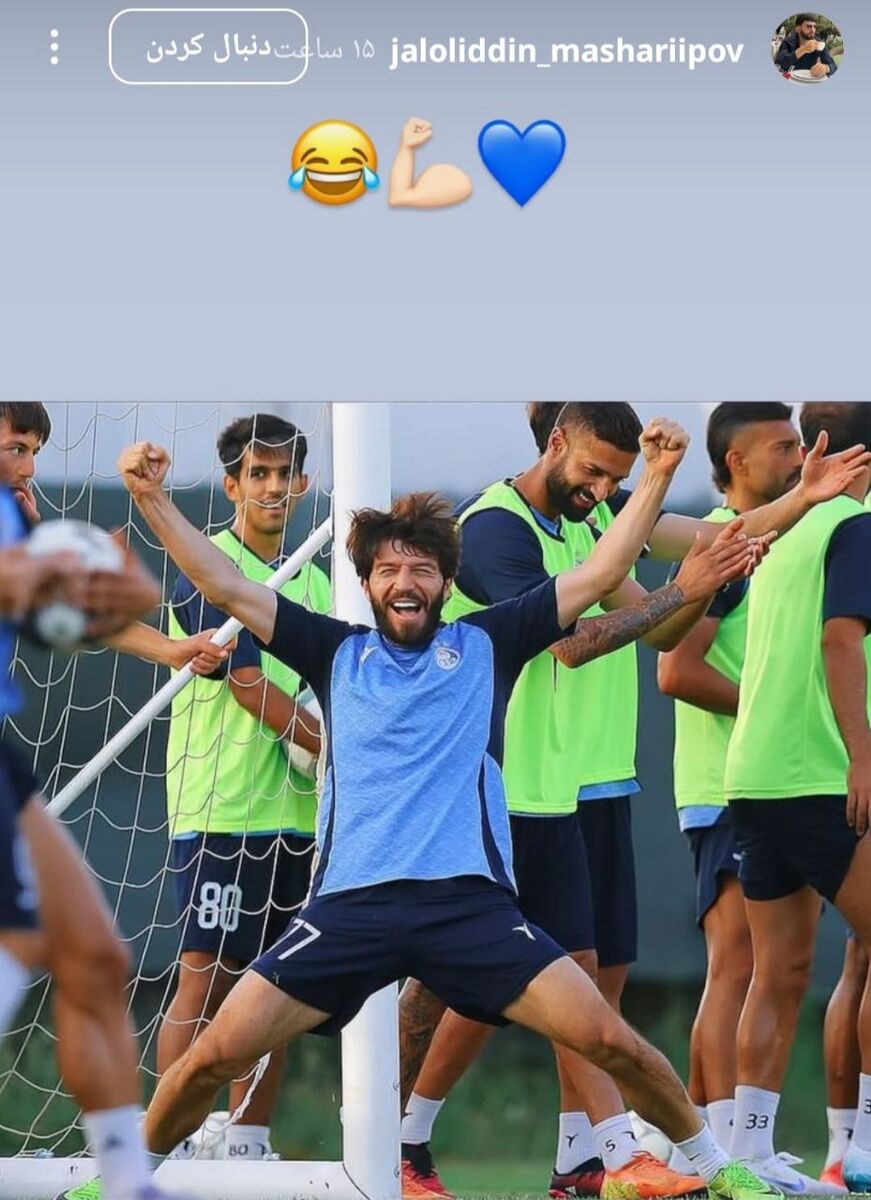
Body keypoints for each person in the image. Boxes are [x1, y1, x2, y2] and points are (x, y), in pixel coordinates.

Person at [101, 425, 782, 1200]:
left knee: (606, 1035)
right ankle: (121, 1182)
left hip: (468, 909)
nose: (405, 581)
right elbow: (223, 585)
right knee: (213, 1055)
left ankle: (718, 1168)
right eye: (389, 569)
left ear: (444, 582)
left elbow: (599, 571)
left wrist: (656, 473)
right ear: (367, 583)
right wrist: (151, 497)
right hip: (348, 911)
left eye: (421, 569)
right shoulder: (331, 650)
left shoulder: (491, 641)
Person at [398, 401, 866, 1200]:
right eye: (591, 473)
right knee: (481, 980)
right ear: (554, 443)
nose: (599, 491)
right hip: (498, 785)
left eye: (615, 479)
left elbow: (699, 562)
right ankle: (409, 1139)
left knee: (590, 974)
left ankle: (585, 1158)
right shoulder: (498, 530)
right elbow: (572, 644)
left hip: (580, 780)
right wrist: (679, 589)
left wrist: (798, 499)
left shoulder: (596, 512)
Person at [0, 457, 199, 1200]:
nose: (24, 462)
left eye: (31, 446)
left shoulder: (14, 517)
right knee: (19, 940)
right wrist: (48, 579)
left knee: (94, 957)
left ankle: (128, 1184)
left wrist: (114, 597)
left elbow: (57, 609)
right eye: (12, 441)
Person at [153, 413, 329, 1160]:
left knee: (275, 986)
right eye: (257, 474)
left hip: (295, 813)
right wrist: (331, 745)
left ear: (304, 483)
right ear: (231, 486)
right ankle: (172, 1140)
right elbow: (246, 684)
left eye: (284, 474)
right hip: (219, 806)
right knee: (205, 978)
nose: (272, 487)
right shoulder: (207, 565)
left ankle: (248, 1139)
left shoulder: (318, 578)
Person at [722, 403, 871, 1194]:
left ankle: (747, 1155)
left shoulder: (780, 532)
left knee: (776, 973)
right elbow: (838, 640)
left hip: (754, 774)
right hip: (817, 774)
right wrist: (862, 758)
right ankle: (864, 1148)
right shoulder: (850, 525)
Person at [657, 404, 803, 1156]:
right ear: (736, 462)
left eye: (800, 443)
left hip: (766, 783)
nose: (799, 457)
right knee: (737, 965)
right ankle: (724, 1154)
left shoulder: (774, 539)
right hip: (723, 788)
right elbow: (675, 671)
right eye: (782, 446)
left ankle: (712, 1147)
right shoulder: (722, 545)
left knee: (761, 966)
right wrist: (772, 712)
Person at [774, 14, 837, 78]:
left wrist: (826, 68)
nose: (813, 30)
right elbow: (779, 63)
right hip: (789, 78)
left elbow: (833, 66)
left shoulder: (819, 43)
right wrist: (803, 49)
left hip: (809, 79)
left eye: (814, 26)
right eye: (809, 26)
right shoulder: (788, 42)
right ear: (798, 29)